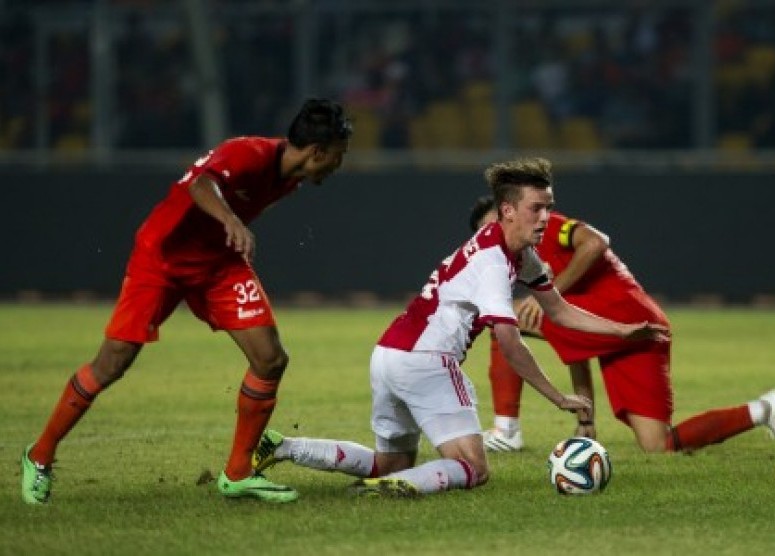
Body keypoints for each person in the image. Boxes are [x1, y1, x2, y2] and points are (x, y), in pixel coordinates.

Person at [250, 157, 669, 498]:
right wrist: (556, 396)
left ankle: (284, 447)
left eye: (549, 206)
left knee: (389, 459)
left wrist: (621, 332)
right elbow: (509, 341)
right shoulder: (491, 263)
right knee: (473, 467)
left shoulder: (518, 255)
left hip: (389, 355)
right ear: (507, 210)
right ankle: (393, 490)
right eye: (536, 208)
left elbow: (557, 310)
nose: (546, 217)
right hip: (427, 360)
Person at [20, 98, 353, 505]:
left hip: (217, 264)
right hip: (162, 258)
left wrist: (229, 233)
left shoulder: (291, 179)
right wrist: (231, 220)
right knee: (112, 363)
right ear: (318, 151)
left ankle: (237, 473)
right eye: (338, 155)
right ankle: (39, 455)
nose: (339, 164)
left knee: (270, 358)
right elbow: (201, 184)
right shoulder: (249, 153)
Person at [469, 196, 775, 455]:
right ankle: (764, 409)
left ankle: (506, 430)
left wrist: (552, 293)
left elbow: (597, 241)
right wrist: (586, 423)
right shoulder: (520, 261)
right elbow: (574, 343)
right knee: (658, 444)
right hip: (631, 332)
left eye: (498, 224)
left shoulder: (547, 227)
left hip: (629, 317)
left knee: (504, 320)